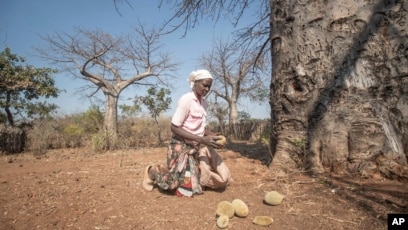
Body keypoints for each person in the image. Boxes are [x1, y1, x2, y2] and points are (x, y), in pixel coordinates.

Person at [142, 69, 231, 197]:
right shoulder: (186, 100)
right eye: (204, 85)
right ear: (195, 83)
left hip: (193, 148)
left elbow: (199, 128)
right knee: (177, 187)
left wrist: (211, 135)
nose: (207, 89)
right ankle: (152, 172)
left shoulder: (203, 103)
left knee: (194, 186)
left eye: (209, 87)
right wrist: (202, 140)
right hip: (180, 146)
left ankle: (174, 172)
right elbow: (174, 127)